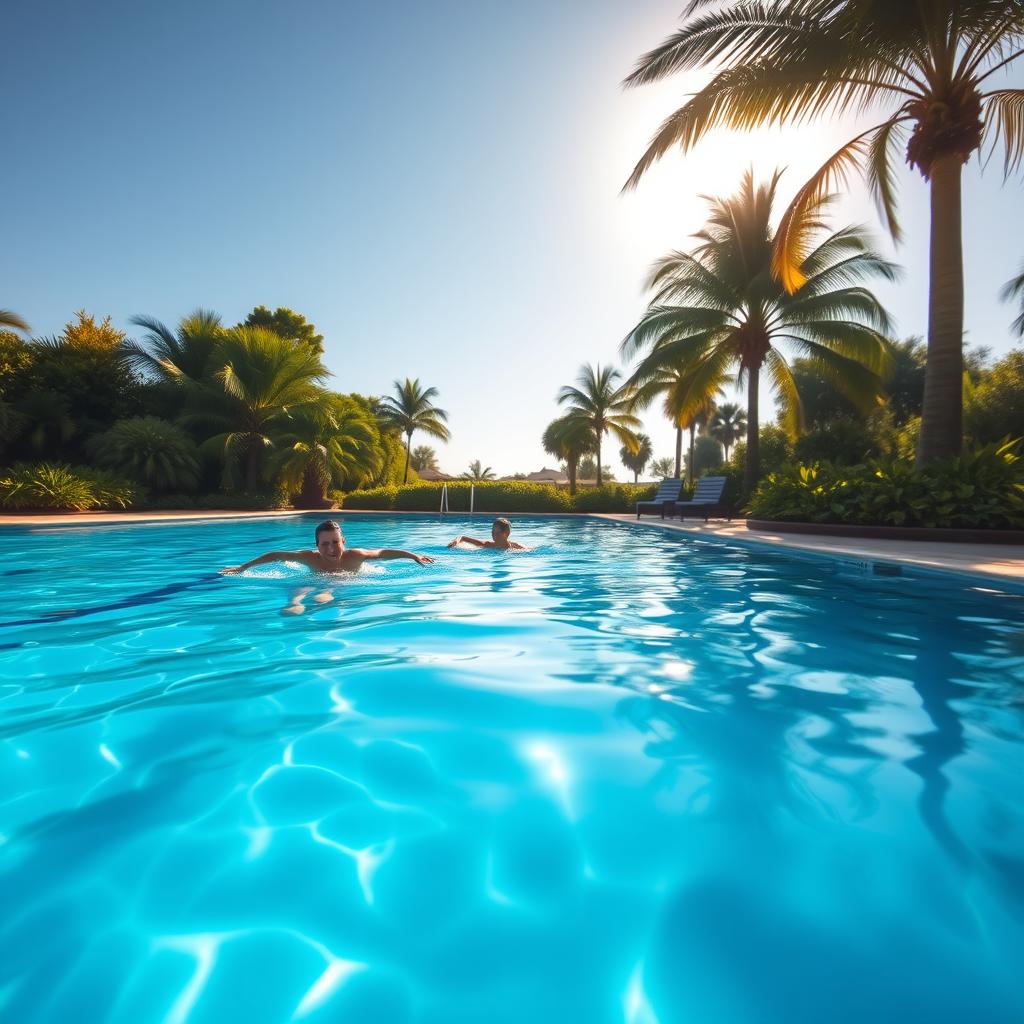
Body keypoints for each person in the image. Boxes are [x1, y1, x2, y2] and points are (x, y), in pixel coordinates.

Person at [221, 520, 435, 576]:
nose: (331, 548)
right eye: (325, 544)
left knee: (329, 589)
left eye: (335, 542)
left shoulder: (356, 556)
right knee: (303, 590)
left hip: (345, 582)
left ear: (343, 541)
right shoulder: (310, 558)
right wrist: (243, 567)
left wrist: (413, 556)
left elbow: (382, 553)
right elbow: (277, 555)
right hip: (316, 578)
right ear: (317, 546)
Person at [448, 517, 525, 550]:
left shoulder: (516, 547)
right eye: (492, 532)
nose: (493, 536)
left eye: (496, 533)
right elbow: (463, 537)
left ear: (506, 533)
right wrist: (456, 541)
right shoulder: (488, 545)